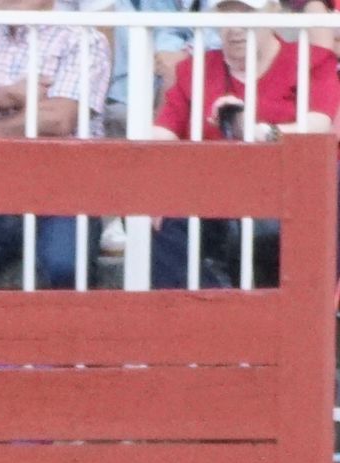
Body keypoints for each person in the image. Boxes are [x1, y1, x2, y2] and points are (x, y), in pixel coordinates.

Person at [141, 0, 338, 288]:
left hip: (291, 196)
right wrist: (155, 184)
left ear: (274, 13)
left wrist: (258, 131)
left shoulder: (311, 61)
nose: (235, 27)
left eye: (248, 13)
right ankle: (203, 321)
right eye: (227, 13)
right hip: (213, 198)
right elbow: (162, 136)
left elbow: (318, 127)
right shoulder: (194, 70)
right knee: (160, 214)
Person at [0, 0, 112, 290]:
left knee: (64, 269)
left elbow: (58, 119)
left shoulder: (83, 38)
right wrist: (10, 96)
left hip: (62, 190)